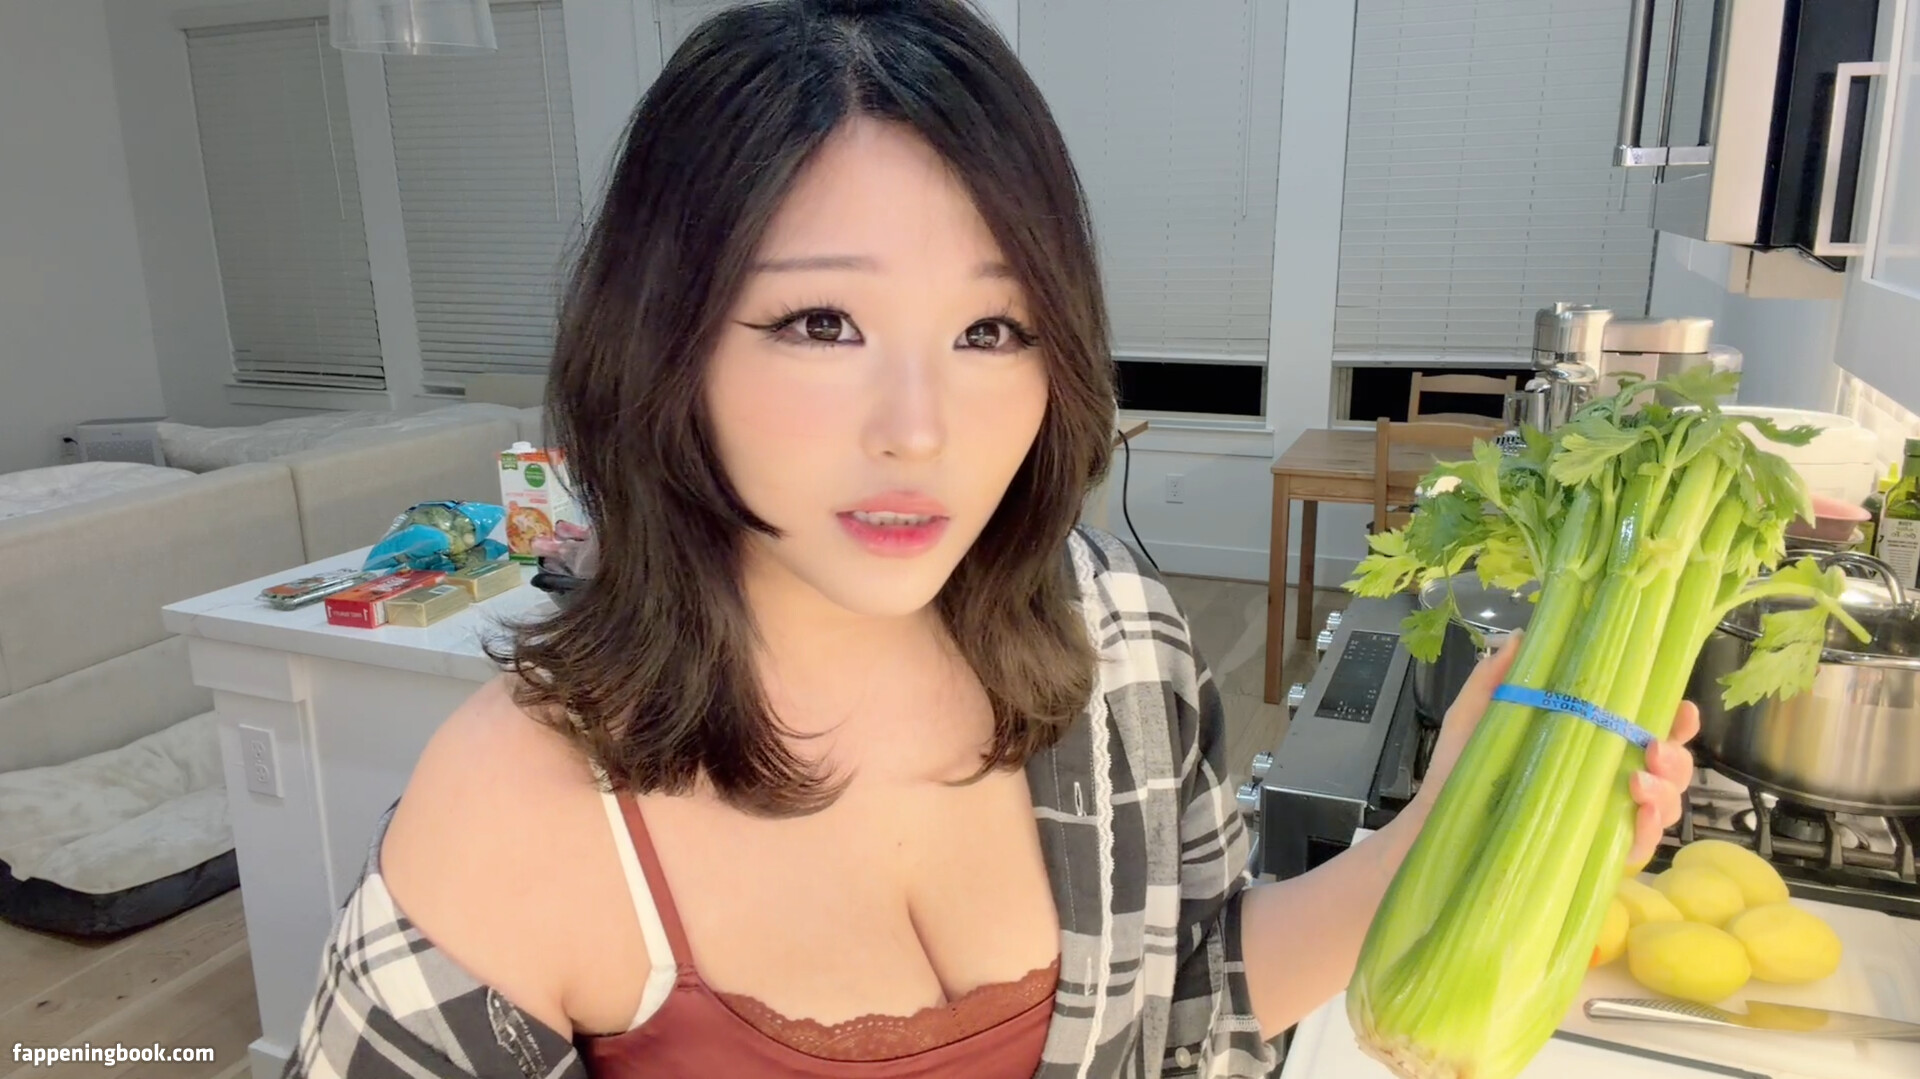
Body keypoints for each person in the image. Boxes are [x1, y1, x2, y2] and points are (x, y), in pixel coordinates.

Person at [283, 3, 1696, 1077]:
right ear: (666, 342)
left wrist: (1449, 825)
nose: (922, 430)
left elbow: (1196, 1000)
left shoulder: (1116, 644)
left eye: (992, 329)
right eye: (822, 323)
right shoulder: (524, 801)